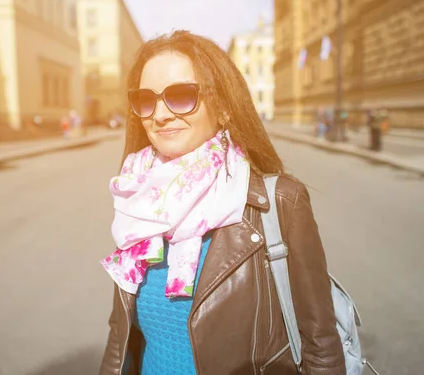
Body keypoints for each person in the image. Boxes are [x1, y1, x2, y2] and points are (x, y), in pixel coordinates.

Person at [99, 31, 345, 375]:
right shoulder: (135, 201)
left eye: (181, 96)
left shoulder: (278, 202)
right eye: (145, 100)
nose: (161, 114)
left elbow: (321, 348)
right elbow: (120, 338)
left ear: (225, 107)